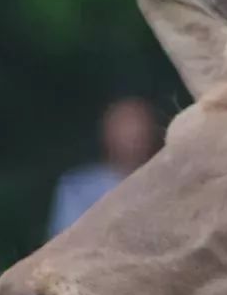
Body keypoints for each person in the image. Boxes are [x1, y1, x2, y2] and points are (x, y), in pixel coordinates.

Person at [46, 97, 160, 238]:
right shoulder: (77, 188)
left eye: (139, 126)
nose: (134, 136)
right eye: (125, 127)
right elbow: (65, 240)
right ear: (108, 132)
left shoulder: (164, 185)